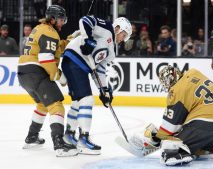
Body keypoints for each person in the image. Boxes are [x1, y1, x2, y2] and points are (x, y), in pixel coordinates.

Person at [122, 65, 213, 166]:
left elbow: (170, 127)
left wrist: (156, 138)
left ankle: (176, 155)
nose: (167, 84)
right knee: (198, 144)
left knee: (170, 145)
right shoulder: (194, 72)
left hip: (206, 125)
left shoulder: (177, 90)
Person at [62, 16, 132, 155]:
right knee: (87, 100)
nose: (122, 40)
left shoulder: (111, 52)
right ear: (118, 28)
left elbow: (99, 71)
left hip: (79, 66)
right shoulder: (106, 28)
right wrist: (88, 38)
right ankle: (83, 139)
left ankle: (69, 136)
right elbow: (85, 20)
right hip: (74, 60)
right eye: (124, 35)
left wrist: (104, 90)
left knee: (78, 102)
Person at [17, 5, 77, 157]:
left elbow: (55, 48)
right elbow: (46, 59)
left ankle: (32, 137)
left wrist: (70, 40)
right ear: (52, 19)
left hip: (23, 73)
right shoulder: (49, 32)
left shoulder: (40, 28)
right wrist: (60, 76)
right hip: (36, 72)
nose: (63, 23)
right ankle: (59, 144)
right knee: (56, 105)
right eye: (61, 20)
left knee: (42, 105)